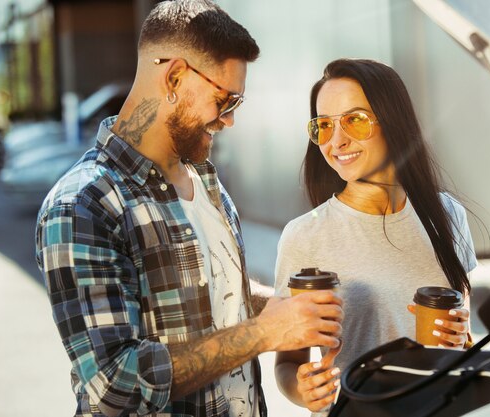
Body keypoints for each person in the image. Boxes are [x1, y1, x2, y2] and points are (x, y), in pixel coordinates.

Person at [35, 2, 343, 416]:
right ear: (175, 76)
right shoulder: (82, 204)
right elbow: (113, 385)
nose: (229, 120)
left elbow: (210, 290)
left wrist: (281, 306)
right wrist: (264, 333)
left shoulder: (204, 179)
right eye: (225, 99)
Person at [274, 58, 477, 414]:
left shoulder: (449, 217)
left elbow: (464, 333)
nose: (336, 141)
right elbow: (287, 363)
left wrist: (460, 339)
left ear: (393, 121)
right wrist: (303, 389)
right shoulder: (305, 235)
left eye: (355, 120)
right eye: (324, 126)